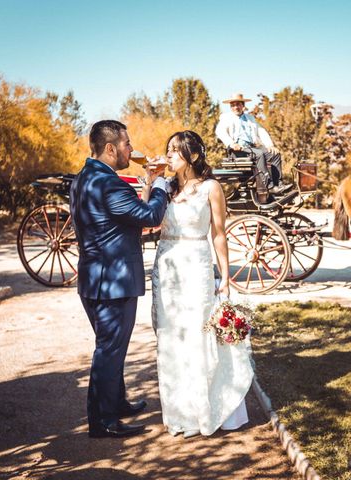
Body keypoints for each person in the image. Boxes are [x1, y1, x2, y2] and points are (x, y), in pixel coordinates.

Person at [152, 130, 254, 438]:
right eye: (167, 149)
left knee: (198, 334)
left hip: (196, 263)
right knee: (171, 337)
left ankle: (207, 409)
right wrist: (150, 179)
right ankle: (180, 413)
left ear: (193, 156)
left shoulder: (211, 187)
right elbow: (147, 217)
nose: (169, 155)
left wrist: (225, 274)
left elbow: (219, 233)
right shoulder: (165, 188)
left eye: (175, 151)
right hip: (166, 267)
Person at [70, 120, 168, 438]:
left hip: (93, 279)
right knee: (109, 351)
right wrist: (162, 185)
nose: (131, 149)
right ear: (110, 148)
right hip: (112, 282)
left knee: (112, 348)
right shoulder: (109, 184)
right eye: (127, 144)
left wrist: (147, 184)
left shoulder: (83, 178)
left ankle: (117, 402)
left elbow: (124, 214)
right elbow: (150, 217)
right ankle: (104, 422)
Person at [215, 93, 289, 195]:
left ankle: (278, 185)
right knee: (259, 154)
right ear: (230, 107)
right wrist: (231, 143)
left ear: (243, 105)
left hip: (251, 148)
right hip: (238, 150)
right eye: (233, 105)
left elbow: (261, 131)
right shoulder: (226, 118)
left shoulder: (250, 118)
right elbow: (220, 131)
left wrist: (269, 145)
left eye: (238, 104)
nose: (235, 107)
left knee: (275, 154)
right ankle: (269, 186)